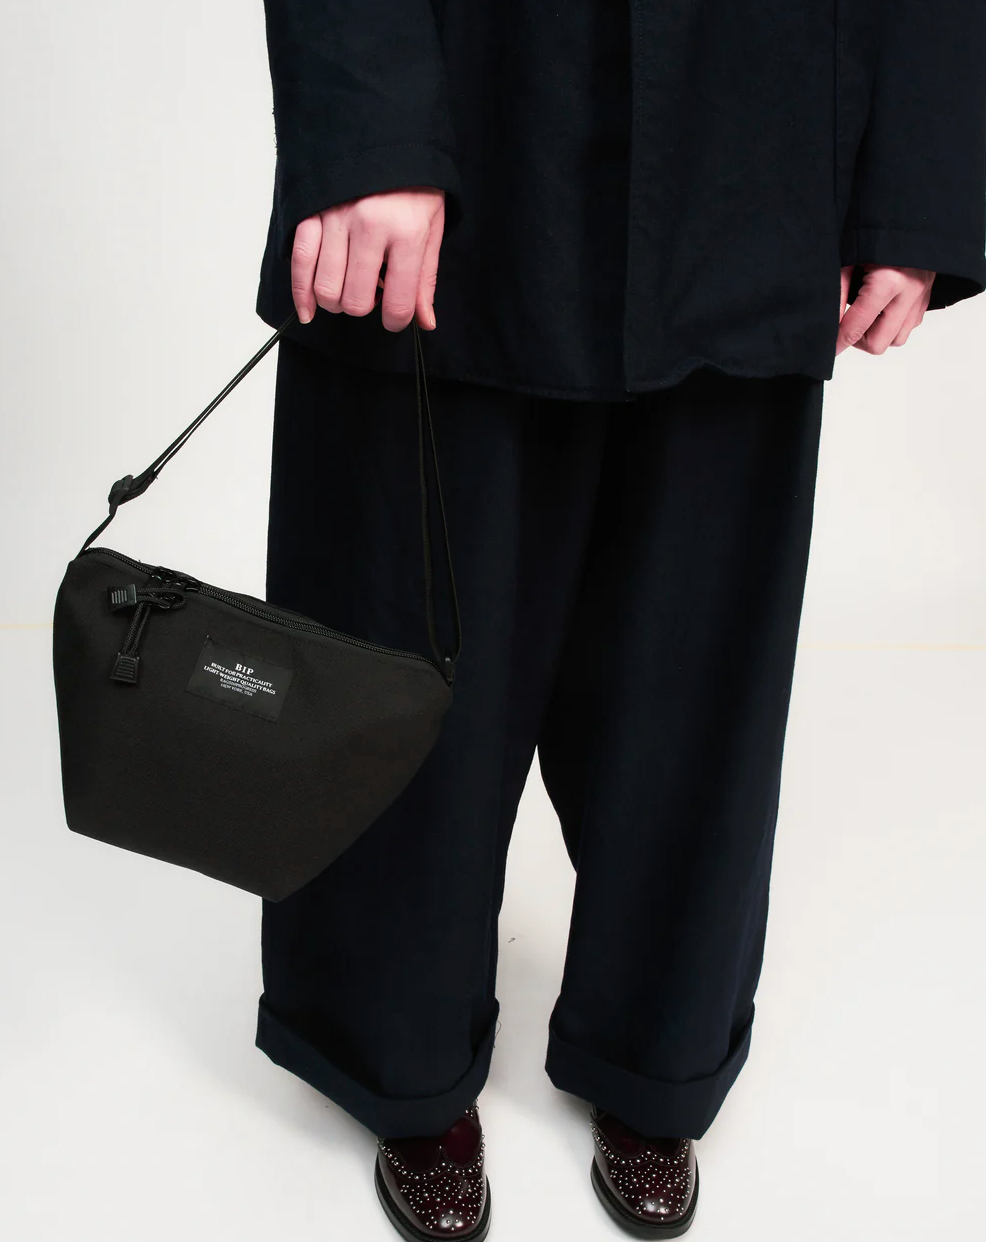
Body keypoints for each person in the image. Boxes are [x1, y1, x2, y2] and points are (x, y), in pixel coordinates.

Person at [251, 2, 986, 1237]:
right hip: (470, 111)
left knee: (694, 655)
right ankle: (397, 1050)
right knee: (402, 628)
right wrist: (367, 129)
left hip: (755, 128)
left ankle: (656, 1051)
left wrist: (907, 194)